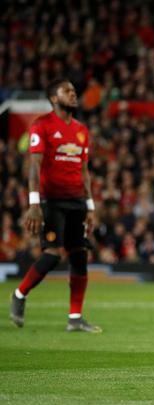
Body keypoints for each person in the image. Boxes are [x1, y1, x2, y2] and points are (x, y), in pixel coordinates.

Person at [9, 78, 101, 333]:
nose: (73, 95)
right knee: (52, 254)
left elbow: (84, 172)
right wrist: (34, 204)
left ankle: (75, 318)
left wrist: (91, 207)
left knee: (79, 255)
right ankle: (19, 293)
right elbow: (34, 165)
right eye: (67, 91)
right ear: (53, 98)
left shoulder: (82, 130)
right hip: (52, 201)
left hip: (77, 202)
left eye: (74, 91)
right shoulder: (41, 126)